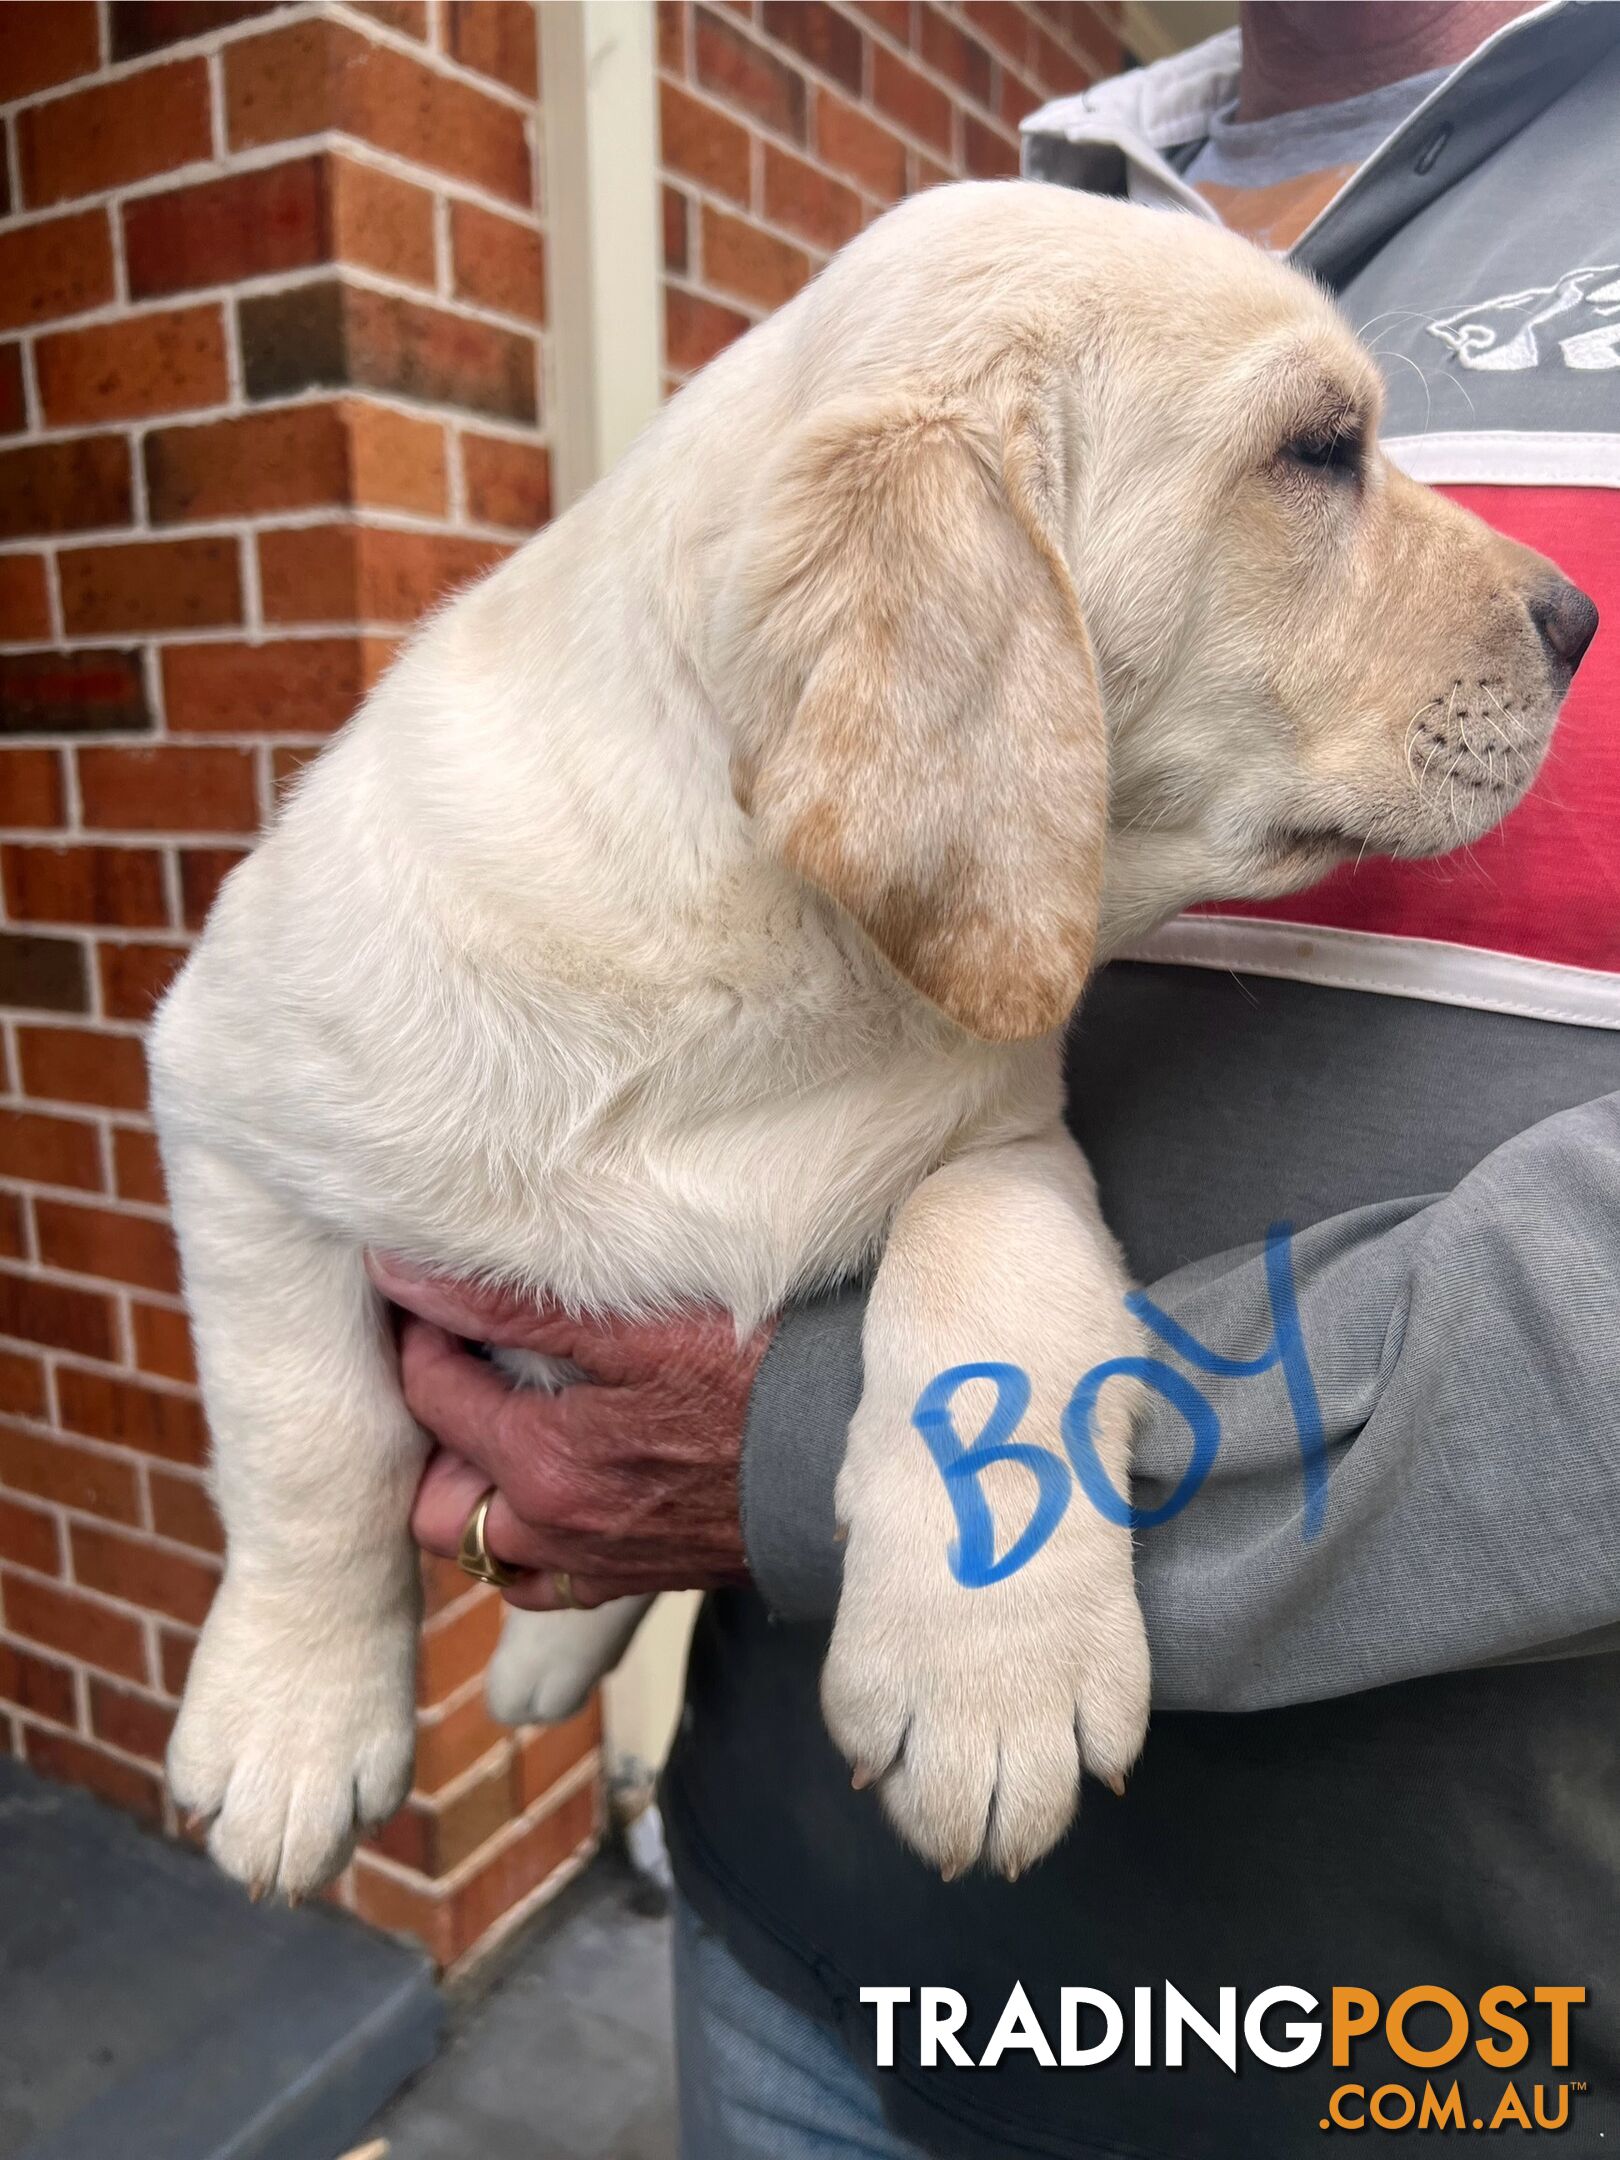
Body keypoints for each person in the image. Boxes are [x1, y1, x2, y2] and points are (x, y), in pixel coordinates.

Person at [374, 4, 1620, 2152]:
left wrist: (852, 1447)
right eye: (1324, 462)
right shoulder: (1002, 238)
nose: (1536, 606)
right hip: (800, 1947)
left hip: (1419, 2059)